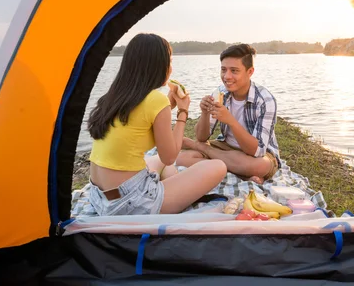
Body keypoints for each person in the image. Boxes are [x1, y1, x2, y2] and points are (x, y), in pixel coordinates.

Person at [87, 33, 227, 216]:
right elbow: (170, 156)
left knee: (159, 162)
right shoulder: (156, 100)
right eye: (169, 61)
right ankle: (171, 193)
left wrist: (168, 106)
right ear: (157, 65)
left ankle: (172, 184)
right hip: (131, 203)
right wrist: (182, 112)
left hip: (100, 198)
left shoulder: (115, 96)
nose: (171, 67)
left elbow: (160, 151)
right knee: (218, 166)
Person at [177, 44, 281, 184]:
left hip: (259, 155)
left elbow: (256, 151)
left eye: (234, 71)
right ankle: (242, 174)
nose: (227, 76)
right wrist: (205, 113)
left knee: (259, 166)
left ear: (250, 72)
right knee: (182, 159)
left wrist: (230, 121)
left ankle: (211, 157)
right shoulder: (220, 93)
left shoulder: (265, 100)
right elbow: (201, 137)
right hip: (226, 148)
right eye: (223, 70)